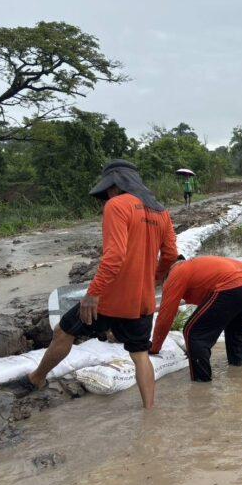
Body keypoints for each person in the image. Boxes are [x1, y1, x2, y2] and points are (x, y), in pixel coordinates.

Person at [11, 160, 177, 409]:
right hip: (142, 300)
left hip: (110, 299)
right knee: (140, 355)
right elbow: (171, 255)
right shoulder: (160, 212)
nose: (107, 194)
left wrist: (93, 294)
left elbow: (115, 256)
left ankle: (36, 379)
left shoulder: (116, 206)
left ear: (114, 186)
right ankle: (149, 413)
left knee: (64, 331)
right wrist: (154, 280)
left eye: (108, 189)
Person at [151, 255, 242, 382]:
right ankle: (238, 372)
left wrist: (154, 348)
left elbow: (164, 317)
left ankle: (202, 386)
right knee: (234, 327)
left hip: (233, 286)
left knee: (193, 333)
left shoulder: (177, 271)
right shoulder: (193, 266)